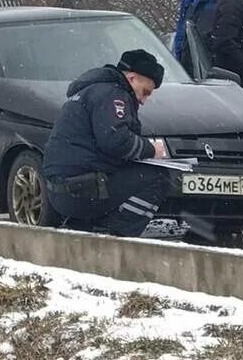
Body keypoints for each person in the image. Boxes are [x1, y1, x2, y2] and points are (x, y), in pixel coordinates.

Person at [43, 49, 169, 237]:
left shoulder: (91, 90)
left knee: (131, 173)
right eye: (145, 92)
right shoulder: (113, 94)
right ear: (132, 78)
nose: (144, 100)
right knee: (158, 176)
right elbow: (115, 140)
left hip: (62, 188)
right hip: (81, 189)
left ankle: (83, 226)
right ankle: (113, 235)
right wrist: (152, 150)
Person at [172, 0, 222, 75]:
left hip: (209, 69)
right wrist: (177, 59)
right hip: (188, 66)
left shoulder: (221, 0)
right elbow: (181, 30)